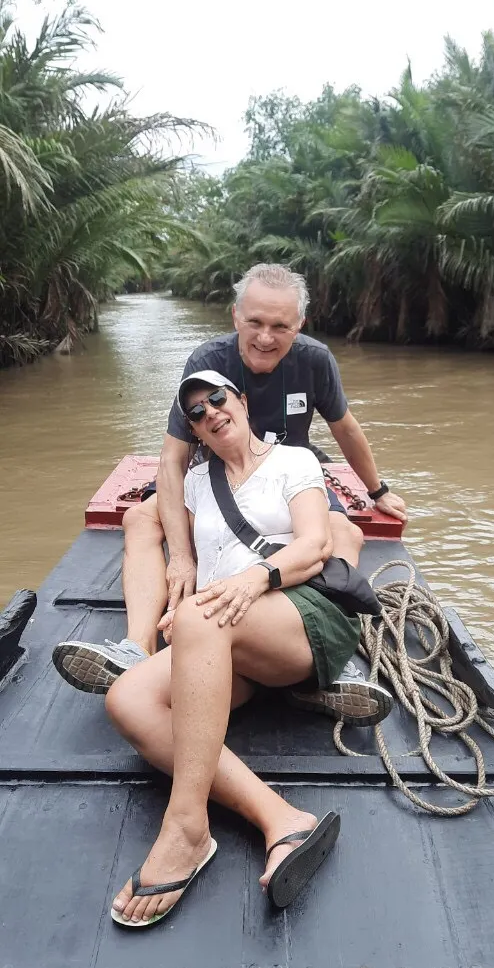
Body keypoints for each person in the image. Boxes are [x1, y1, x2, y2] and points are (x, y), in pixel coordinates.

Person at [53, 263, 407, 723]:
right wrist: (180, 555)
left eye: (280, 326)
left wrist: (377, 490)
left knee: (343, 530)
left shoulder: (315, 360)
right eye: (255, 322)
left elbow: (345, 428)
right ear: (235, 315)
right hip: (211, 469)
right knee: (140, 519)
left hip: (283, 465)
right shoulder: (208, 360)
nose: (265, 337)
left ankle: (331, 651)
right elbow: (173, 458)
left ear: (298, 325)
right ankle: (136, 646)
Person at [106, 373, 391, 927]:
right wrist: (173, 603)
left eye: (217, 399)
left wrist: (255, 578)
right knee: (127, 699)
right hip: (222, 634)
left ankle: (186, 826)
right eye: (194, 412)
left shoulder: (294, 463)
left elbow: (315, 544)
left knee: (201, 619)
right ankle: (281, 818)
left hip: (298, 614)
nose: (209, 412)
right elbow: (183, 561)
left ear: (241, 402)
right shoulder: (194, 483)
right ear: (191, 430)